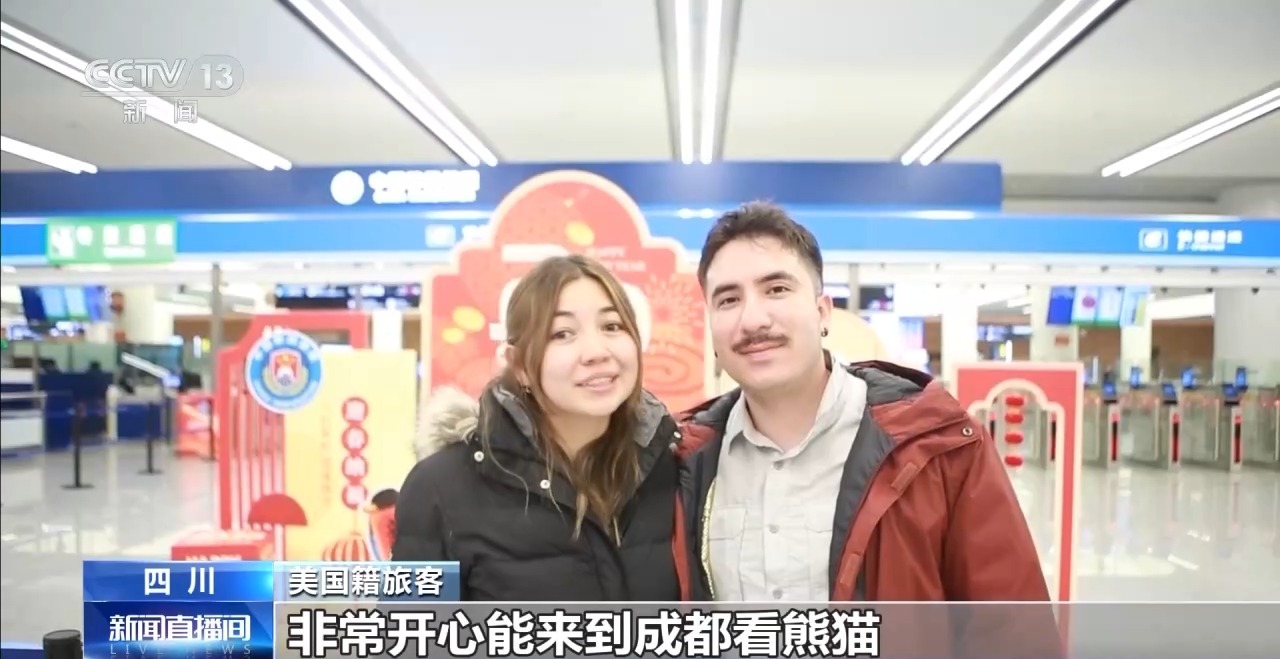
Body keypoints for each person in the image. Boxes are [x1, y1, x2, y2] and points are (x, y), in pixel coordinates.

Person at [672, 202, 1060, 655]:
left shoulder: (937, 448)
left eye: (776, 289)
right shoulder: (681, 463)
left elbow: (1012, 630)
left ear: (823, 313)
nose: (753, 320)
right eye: (728, 299)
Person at [393, 254, 682, 601]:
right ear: (519, 366)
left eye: (612, 326)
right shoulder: (440, 487)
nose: (597, 351)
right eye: (562, 334)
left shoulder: (671, 469)